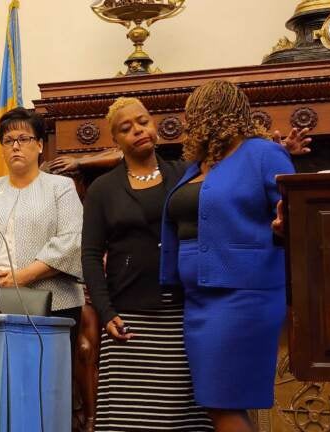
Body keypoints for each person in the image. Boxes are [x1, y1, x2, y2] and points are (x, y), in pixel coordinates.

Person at [160, 80, 295, 431]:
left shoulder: (264, 154)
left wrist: (283, 226)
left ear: (213, 113)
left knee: (223, 403)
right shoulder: (198, 165)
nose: (188, 121)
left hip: (243, 296)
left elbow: (295, 215)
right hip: (198, 299)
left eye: (193, 113)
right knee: (215, 403)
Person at [81, 97, 213, 431]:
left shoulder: (186, 172)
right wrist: (106, 312)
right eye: (126, 128)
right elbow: (91, 255)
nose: (138, 130)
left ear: (154, 124)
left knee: (185, 413)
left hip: (184, 310)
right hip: (129, 317)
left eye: (142, 121)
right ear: (116, 141)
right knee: (134, 416)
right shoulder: (102, 189)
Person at [0, 108, 84, 321]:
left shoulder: (60, 187)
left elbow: (71, 241)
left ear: (40, 145)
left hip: (55, 302)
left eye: (23, 139)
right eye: (8, 141)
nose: (15, 146)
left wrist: (23, 276)